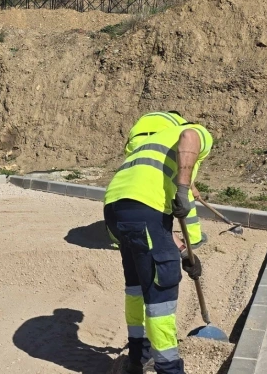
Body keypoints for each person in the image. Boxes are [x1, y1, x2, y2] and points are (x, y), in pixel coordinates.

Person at [103, 122, 213, 374]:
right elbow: (190, 136)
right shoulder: (190, 130)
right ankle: (168, 368)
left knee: (136, 286)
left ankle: (137, 359)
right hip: (143, 209)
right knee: (160, 291)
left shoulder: (147, 149)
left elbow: (155, 231)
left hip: (114, 209)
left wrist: (185, 255)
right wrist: (184, 190)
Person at [107, 111, 207, 251]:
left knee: (139, 186)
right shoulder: (180, 124)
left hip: (136, 143)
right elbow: (185, 167)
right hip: (158, 142)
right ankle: (194, 237)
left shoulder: (148, 117)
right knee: (180, 192)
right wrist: (190, 188)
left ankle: (123, 237)